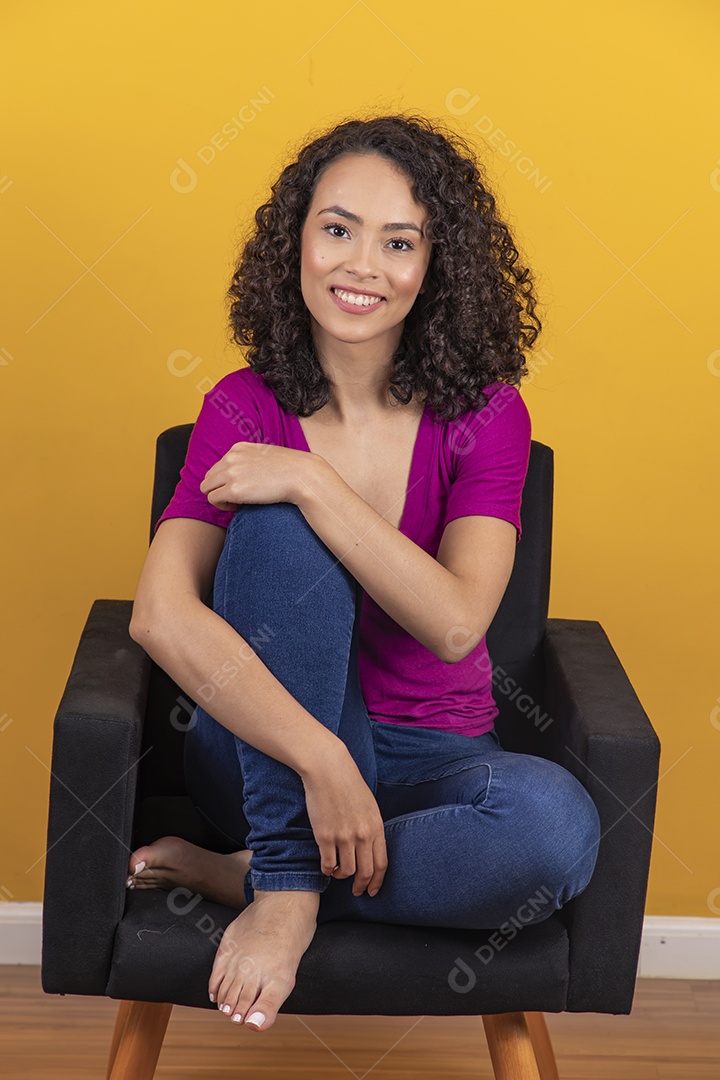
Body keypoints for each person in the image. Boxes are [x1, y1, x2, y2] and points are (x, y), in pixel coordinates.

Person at [127, 113, 601, 1034]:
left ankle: (257, 877)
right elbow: (158, 616)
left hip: (436, 761)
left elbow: (459, 623)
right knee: (272, 529)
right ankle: (290, 882)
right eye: (338, 229)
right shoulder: (242, 404)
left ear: (435, 268)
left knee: (556, 833)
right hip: (270, 759)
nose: (362, 266)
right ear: (296, 240)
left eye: (399, 242)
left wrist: (310, 479)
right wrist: (320, 757)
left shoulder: (486, 414)